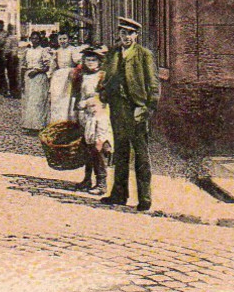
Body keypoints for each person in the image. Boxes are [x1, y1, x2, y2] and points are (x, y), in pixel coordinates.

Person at [100, 17, 158, 211]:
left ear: (136, 35)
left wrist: (148, 108)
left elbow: (153, 84)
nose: (126, 37)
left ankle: (145, 198)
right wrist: (104, 93)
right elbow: (107, 77)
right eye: (123, 33)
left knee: (141, 155)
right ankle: (119, 194)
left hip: (137, 109)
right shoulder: (114, 54)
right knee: (120, 153)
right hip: (118, 109)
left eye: (130, 33)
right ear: (119, 34)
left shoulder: (144, 55)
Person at [72, 46, 112, 194]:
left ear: (99, 61)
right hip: (85, 115)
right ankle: (87, 179)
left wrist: (88, 103)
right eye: (88, 60)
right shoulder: (81, 76)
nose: (90, 63)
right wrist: (75, 111)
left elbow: (104, 97)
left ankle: (102, 183)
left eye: (93, 60)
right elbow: (76, 95)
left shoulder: (103, 77)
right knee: (86, 147)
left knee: (98, 147)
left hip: (99, 114)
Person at [20, 34, 52, 131]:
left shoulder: (43, 51)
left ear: (40, 40)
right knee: (29, 100)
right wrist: (22, 81)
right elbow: (23, 66)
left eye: (37, 38)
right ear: (30, 39)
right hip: (28, 77)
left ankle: (39, 124)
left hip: (39, 77)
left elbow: (47, 67)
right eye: (33, 38)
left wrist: (37, 71)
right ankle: (29, 124)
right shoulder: (27, 51)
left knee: (38, 100)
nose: (35, 40)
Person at [48, 36, 78, 126]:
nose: (62, 41)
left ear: (69, 39)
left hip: (69, 76)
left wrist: (74, 71)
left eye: (64, 39)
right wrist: (50, 74)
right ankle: (57, 122)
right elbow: (53, 65)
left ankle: (67, 122)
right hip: (58, 77)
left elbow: (78, 61)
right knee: (57, 99)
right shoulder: (57, 51)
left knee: (67, 99)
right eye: (60, 39)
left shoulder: (72, 50)